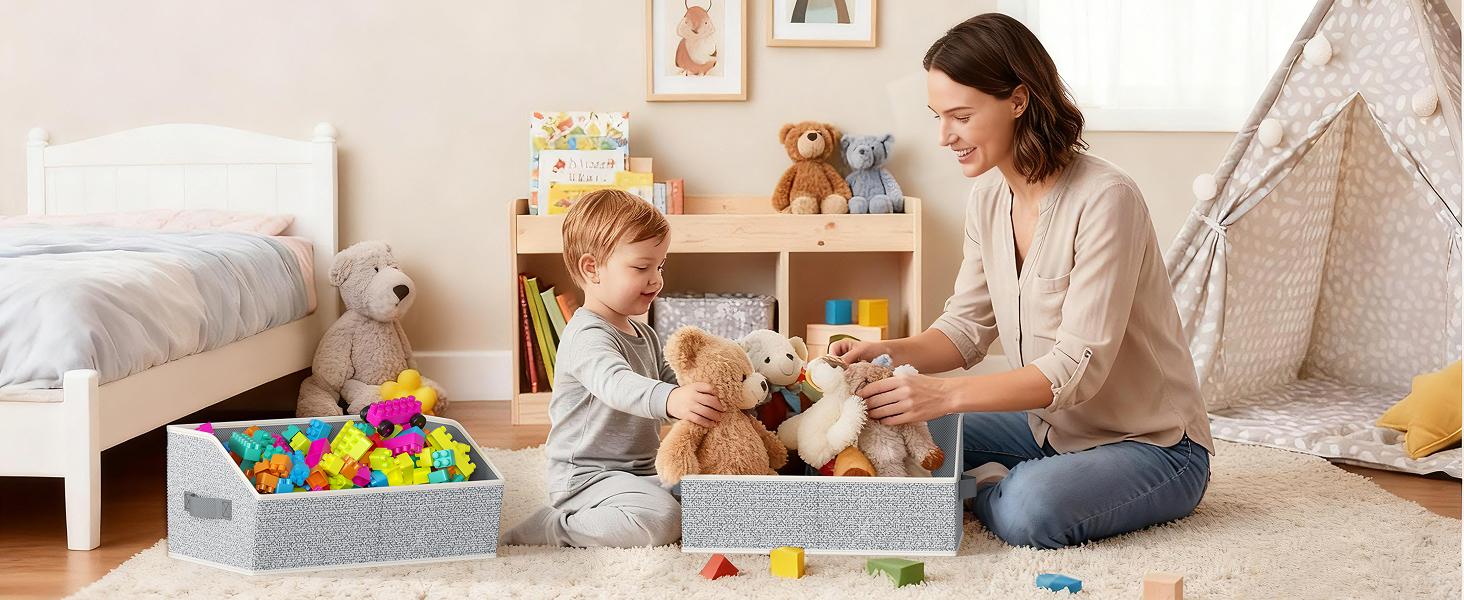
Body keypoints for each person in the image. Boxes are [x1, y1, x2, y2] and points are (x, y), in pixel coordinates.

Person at [831, 13, 1214, 550]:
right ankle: (982, 482)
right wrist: (886, 351)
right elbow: (964, 331)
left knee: (1032, 508)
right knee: (882, 428)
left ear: (1018, 100)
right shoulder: (988, 200)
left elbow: (1075, 369)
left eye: (961, 116)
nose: (944, 136)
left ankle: (984, 487)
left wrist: (943, 396)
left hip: (1154, 445)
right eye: (938, 116)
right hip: (1048, 429)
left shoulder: (1107, 199)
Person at [504, 190, 724, 547]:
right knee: (662, 520)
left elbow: (671, 382)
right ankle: (555, 527)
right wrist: (671, 399)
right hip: (587, 478)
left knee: (709, 492)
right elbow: (616, 384)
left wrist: (712, 389)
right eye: (641, 267)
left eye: (660, 266)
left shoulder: (644, 333)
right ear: (592, 269)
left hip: (639, 473)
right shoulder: (586, 335)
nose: (656, 279)